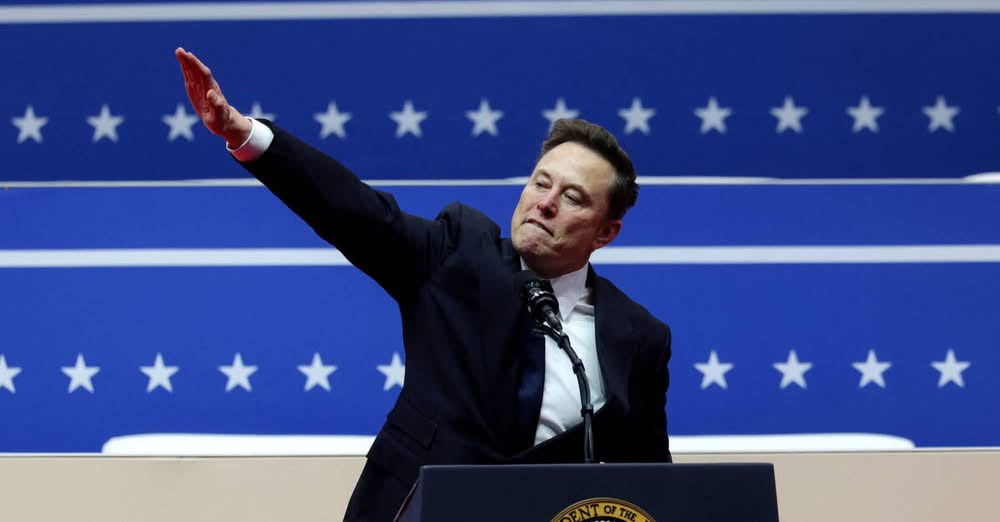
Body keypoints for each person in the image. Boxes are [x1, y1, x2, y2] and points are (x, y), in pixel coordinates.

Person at [175, 47, 671, 522]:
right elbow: (354, 212)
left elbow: (650, 482)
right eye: (541, 182)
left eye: (573, 197)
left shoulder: (638, 337)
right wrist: (244, 134)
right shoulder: (458, 254)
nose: (545, 203)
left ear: (605, 233)